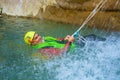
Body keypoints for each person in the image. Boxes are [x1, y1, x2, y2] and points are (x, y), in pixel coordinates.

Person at [24, 31, 106, 57]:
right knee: (92, 38)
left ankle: (107, 43)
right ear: (32, 43)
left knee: (92, 36)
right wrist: (69, 42)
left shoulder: (45, 38)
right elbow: (61, 53)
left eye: (37, 35)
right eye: (36, 38)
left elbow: (57, 40)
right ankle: (108, 45)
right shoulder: (42, 50)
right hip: (73, 50)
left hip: (72, 44)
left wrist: (65, 38)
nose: (39, 37)